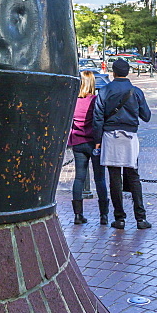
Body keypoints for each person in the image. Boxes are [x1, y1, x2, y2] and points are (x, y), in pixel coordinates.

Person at [93, 58, 152, 230]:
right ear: (128, 72)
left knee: (114, 179)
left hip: (110, 136)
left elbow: (97, 118)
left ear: (114, 72)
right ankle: (140, 218)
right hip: (130, 137)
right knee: (134, 177)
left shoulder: (104, 91)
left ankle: (119, 218)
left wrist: (97, 141)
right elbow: (146, 116)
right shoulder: (136, 92)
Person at [68, 71, 109, 225]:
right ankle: (103, 216)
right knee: (100, 179)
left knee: (79, 178)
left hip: (78, 142)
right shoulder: (96, 100)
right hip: (94, 143)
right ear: (92, 83)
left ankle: (78, 215)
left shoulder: (73, 102)